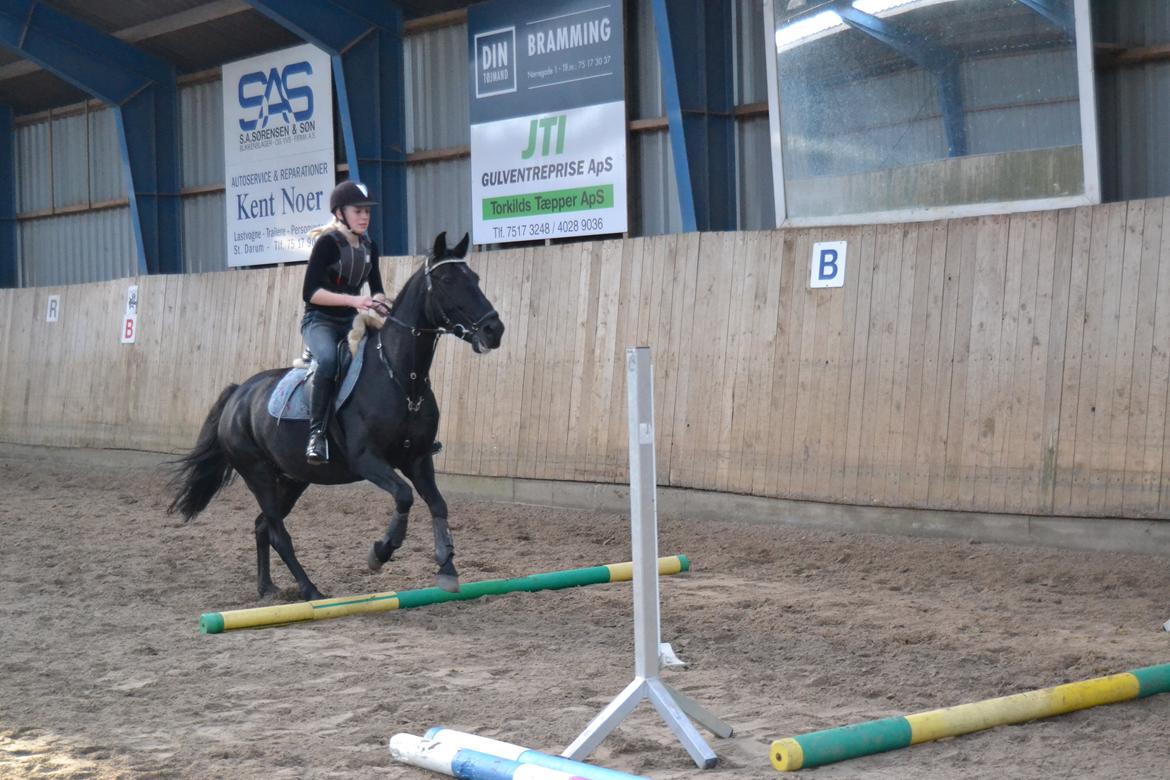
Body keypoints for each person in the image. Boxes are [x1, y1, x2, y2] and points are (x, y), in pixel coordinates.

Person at [300, 180, 386, 464]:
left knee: (387, 355)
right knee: (327, 361)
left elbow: (376, 286)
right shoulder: (327, 243)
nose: (364, 217)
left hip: (352, 320)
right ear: (340, 213)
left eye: (367, 212)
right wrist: (354, 301)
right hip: (320, 321)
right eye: (358, 211)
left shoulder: (369, 245)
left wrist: (381, 302)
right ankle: (317, 435)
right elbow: (310, 293)